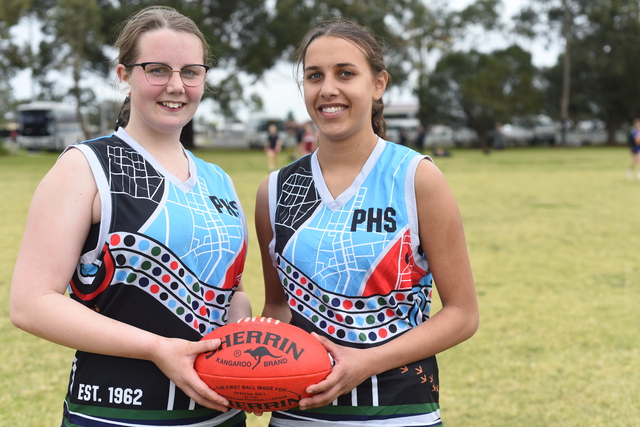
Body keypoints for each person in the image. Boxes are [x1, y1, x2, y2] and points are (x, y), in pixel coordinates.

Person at [10, 6, 251, 427]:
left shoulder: (219, 179)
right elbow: (31, 304)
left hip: (221, 415)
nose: (176, 85)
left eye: (191, 72)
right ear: (124, 75)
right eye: (157, 70)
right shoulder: (85, 166)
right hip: (115, 415)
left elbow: (232, 291)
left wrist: (242, 331)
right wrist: (156, 348)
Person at [255, 18, 479, 427]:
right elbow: (278, 307)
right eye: (314, 76)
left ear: (378, 84)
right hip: (297, 416)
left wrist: (366, 362)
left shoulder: (415, 177)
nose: (328, 89)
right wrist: (252, 369)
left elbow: (462, 315)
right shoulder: (274, 190)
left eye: (345, 73)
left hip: (399, 413)